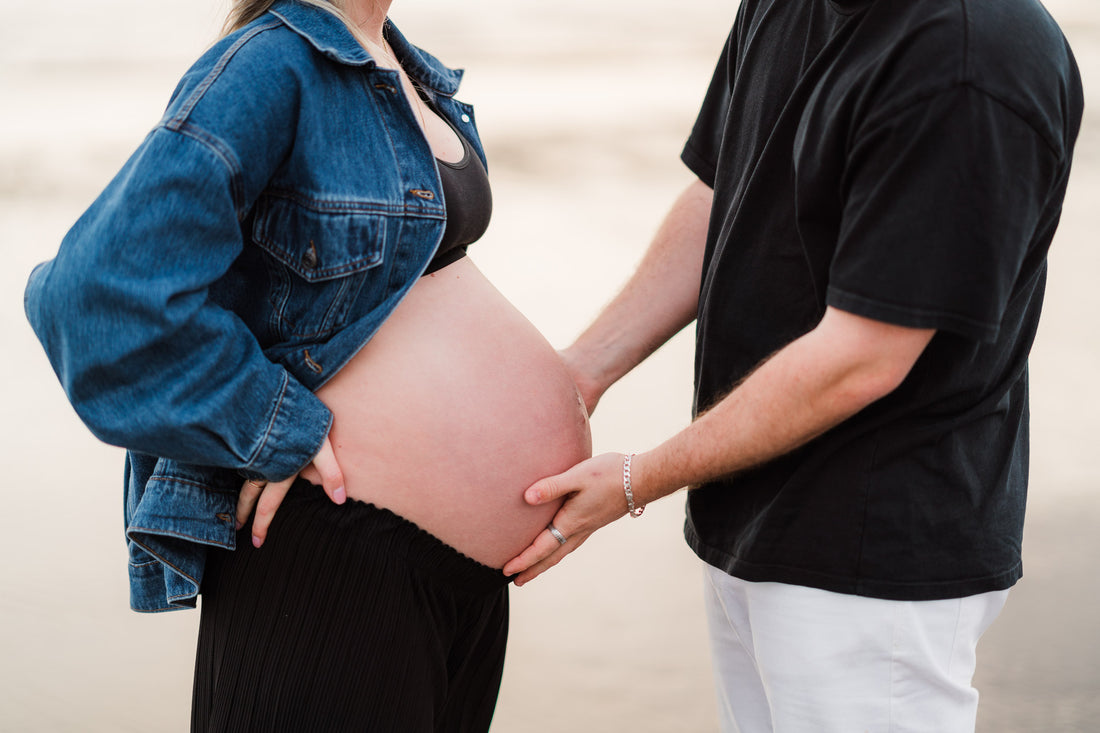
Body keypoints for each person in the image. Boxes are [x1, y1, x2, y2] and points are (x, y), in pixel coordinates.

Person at [503, 0, 1084, 730]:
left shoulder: (974, 57)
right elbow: (726, 188)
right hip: (748, 518)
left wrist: (634, 479)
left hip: (875, 567)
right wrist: (580, 372)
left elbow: (864, 356)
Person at [25, 0, 591, 730]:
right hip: (335, 556)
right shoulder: (268, 64)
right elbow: (97, 293)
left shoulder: (398, 60)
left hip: (460, 581)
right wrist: (270, 422)